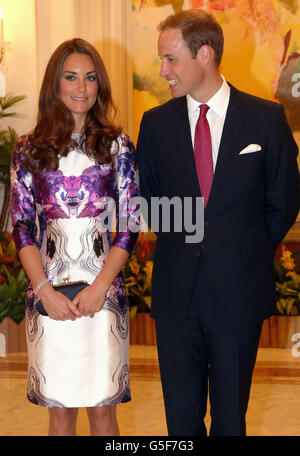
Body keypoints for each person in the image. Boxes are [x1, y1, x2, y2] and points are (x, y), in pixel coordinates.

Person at [137, 9, 300, 436]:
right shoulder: (155, 125)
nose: (163, 70)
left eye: (171, 59)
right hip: (176, 298)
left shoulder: (266, 119)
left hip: (238, 294)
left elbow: (283, 200)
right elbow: (151, 201)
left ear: (204, 54)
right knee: (181, 425)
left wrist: (243, 250)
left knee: (231, 420)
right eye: (161, 60)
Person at [10, 38, 139, 436]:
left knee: (103, 412)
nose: (81, 88)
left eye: (90, 78)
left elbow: (129, 225)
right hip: (48, 295)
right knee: (60, 412)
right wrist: (45, 291)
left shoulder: (118, 147)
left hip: (104, 295)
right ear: (55, 84)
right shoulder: (27, 150)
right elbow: (21, 228)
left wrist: (101, 287)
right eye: (71, 78)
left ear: (100, 86)